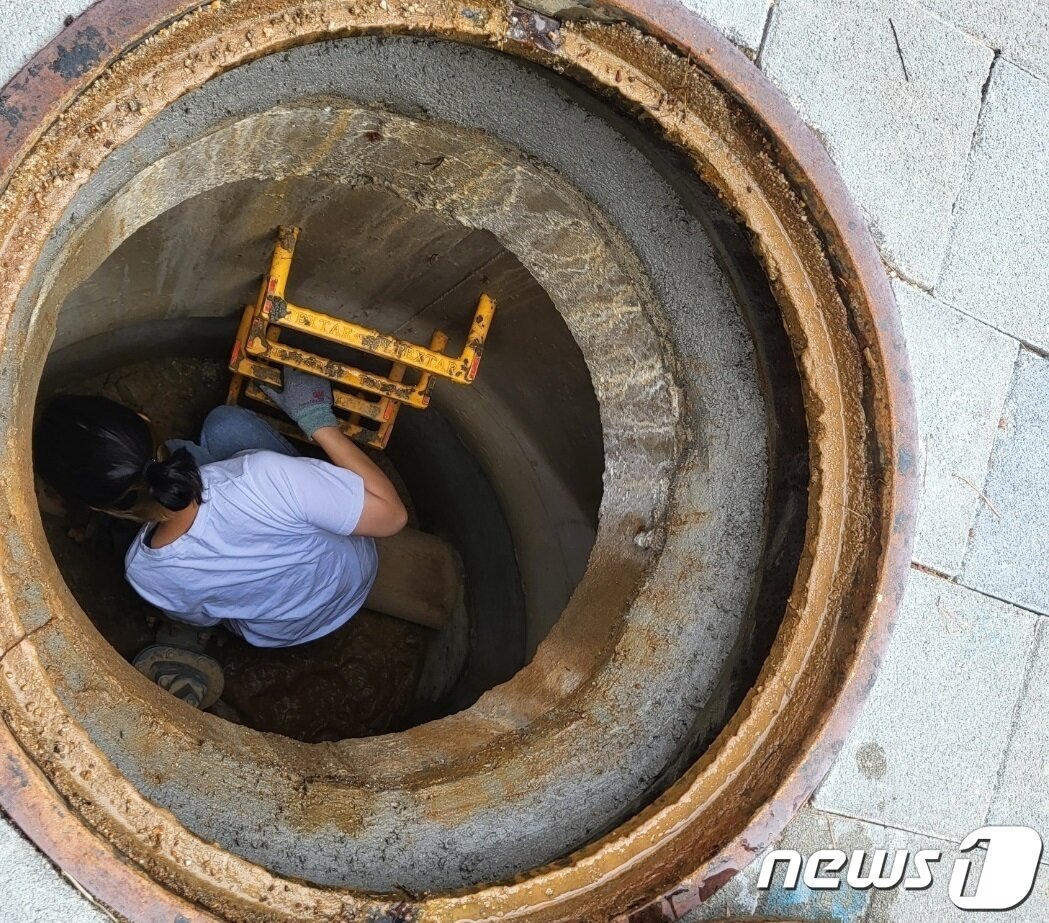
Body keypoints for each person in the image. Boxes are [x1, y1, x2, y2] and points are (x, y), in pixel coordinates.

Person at [34, 369, 408, 651]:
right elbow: (392, 516)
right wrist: (317, 421)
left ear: (100, 506)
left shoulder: (144, 574)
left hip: (286, 629)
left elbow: (204, 617)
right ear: (145, 421)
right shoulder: (262, 477)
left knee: (207, 440)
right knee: (223, 425)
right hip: (352, 572)